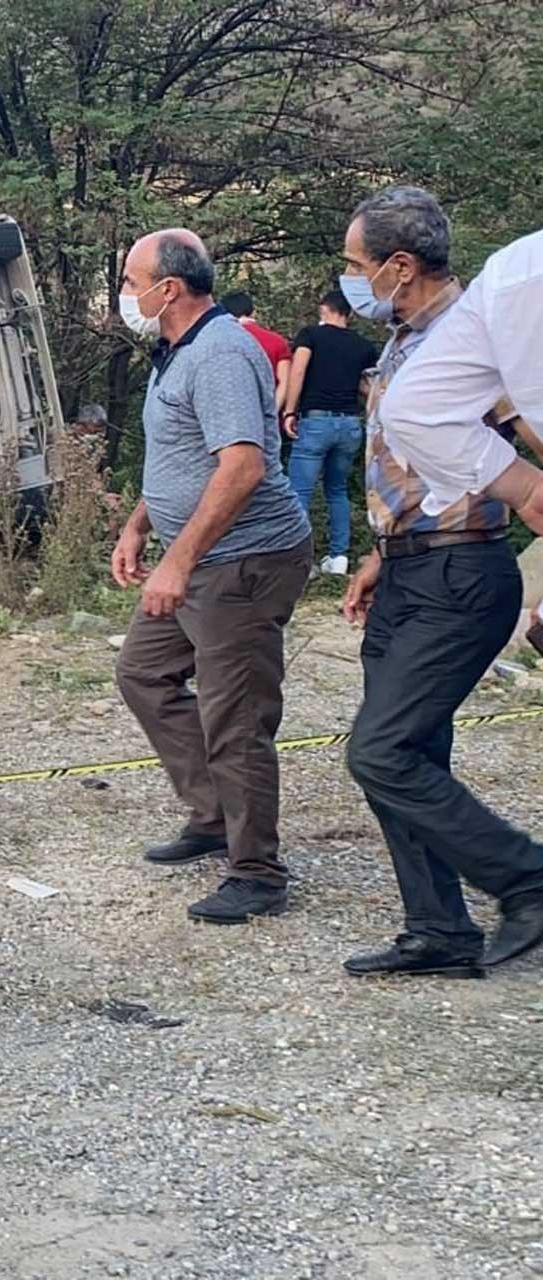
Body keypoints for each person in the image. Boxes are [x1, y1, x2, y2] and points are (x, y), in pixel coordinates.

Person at [333, 186, 543, 975]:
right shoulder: (403, 338)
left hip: (462, 572)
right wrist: (383, 552)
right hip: (411, 567)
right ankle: (439, 930)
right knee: (412, 753)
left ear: (399, 265)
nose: (351, 280)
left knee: (379, 752)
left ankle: (527, 878)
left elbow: (527, 437)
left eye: (357, 265)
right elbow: (423, 466)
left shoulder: (485, 332)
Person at [110, 229, 314, 925]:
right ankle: (212, 814)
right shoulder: (177, 351)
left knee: (236, 716)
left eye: (133, 278)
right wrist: (140, 524)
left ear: (169, 288)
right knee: (142, 672)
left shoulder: (222, 352)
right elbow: (182, 454)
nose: (125, 293)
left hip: (243, 564)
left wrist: (179, 558)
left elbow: (242, 467)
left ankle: (256, 871)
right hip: (201, 560)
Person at [278, 288, 380, 577]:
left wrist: (289, 411)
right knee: (337, 490)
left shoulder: (310, 335)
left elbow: (298, 372)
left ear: (324, 308)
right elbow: (368, 389)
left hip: (316, 421)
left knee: (299, 491)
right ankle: (339, 558)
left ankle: (296, 561)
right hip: (349, 425)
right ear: (349, 312)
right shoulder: (363, 346)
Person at [220, 291, 292, 402]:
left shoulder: (220, 341)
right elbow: (284, 383)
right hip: (269, 410)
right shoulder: (277, 341)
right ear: (252, 312)